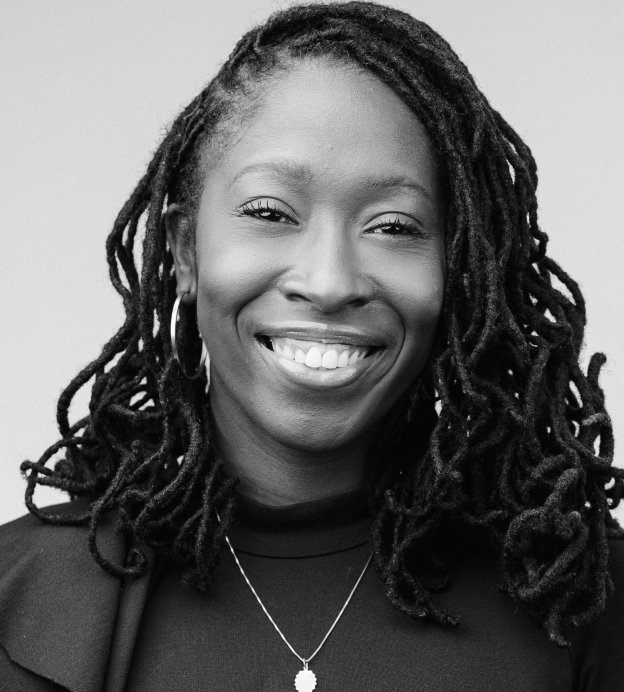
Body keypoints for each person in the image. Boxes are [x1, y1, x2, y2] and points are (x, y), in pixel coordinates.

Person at [1, 1, 623, 690]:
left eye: (392, 227)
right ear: (184, 249)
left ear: (458, 269)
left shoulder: (579, 597)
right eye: (270, 213)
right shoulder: (22, 599)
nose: (328, 282)